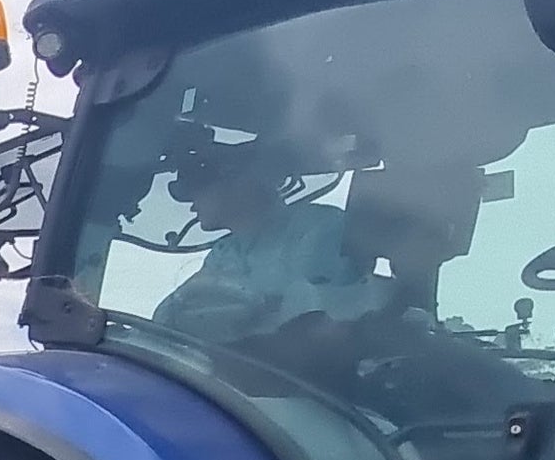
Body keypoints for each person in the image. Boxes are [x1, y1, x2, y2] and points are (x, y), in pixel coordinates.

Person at [147, 134, 386, 344]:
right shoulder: (223, 252)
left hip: (301, 379)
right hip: (230, 374)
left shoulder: (319, 227)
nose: (191, 204)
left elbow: (316, 320)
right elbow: (169, 317)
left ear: (241, 182)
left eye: (199, 187)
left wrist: (252, 312)